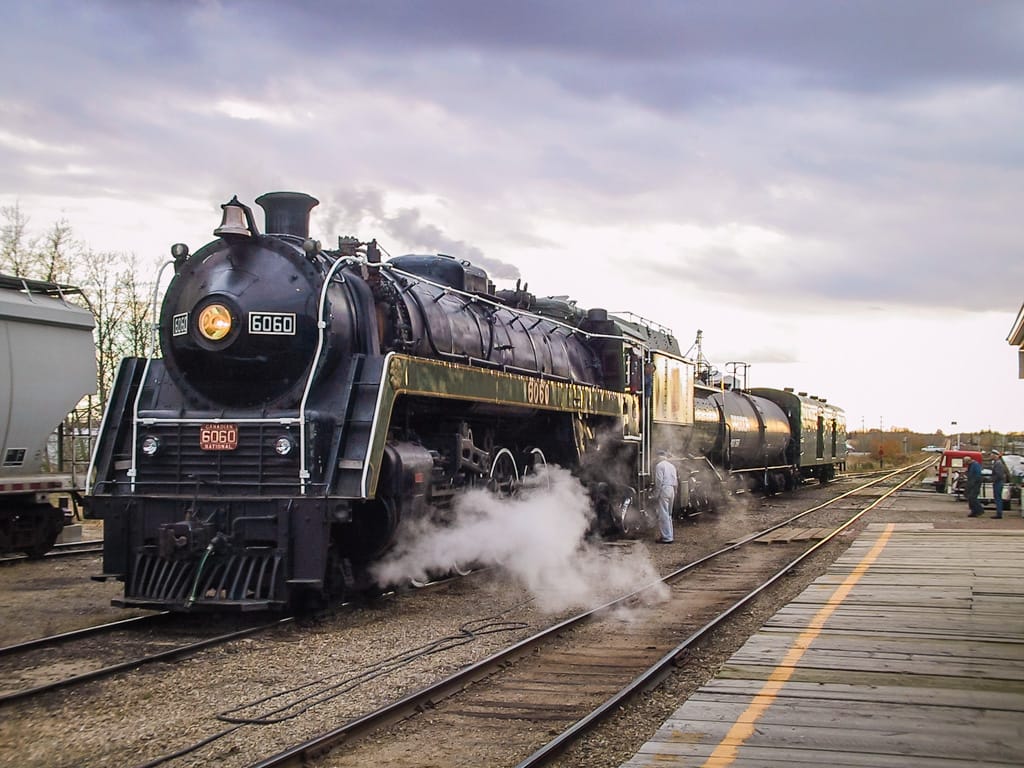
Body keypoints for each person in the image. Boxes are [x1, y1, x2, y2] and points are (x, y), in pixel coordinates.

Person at [654, 450, 678, 543]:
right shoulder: (672, 466)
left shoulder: (659, 466)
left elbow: (659, 481)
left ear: (659, 456)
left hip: (664, 489)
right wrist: (675, 491)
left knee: (663, 514)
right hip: (671, 489)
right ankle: (669, 535)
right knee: (668, 514)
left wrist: (656, 494)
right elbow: (676, 480)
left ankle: (667, 538)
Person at [991, 450, 1009, 519]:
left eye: (992, 455)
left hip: (998, 482)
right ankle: (999, 513)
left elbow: (999, 474)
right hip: (998, 482)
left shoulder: (998, 463)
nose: (991, 456)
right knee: (997, 497)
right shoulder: (998, 463)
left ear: (995, 455)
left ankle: (999, 513)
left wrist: (993, 480)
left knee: (998, 498)